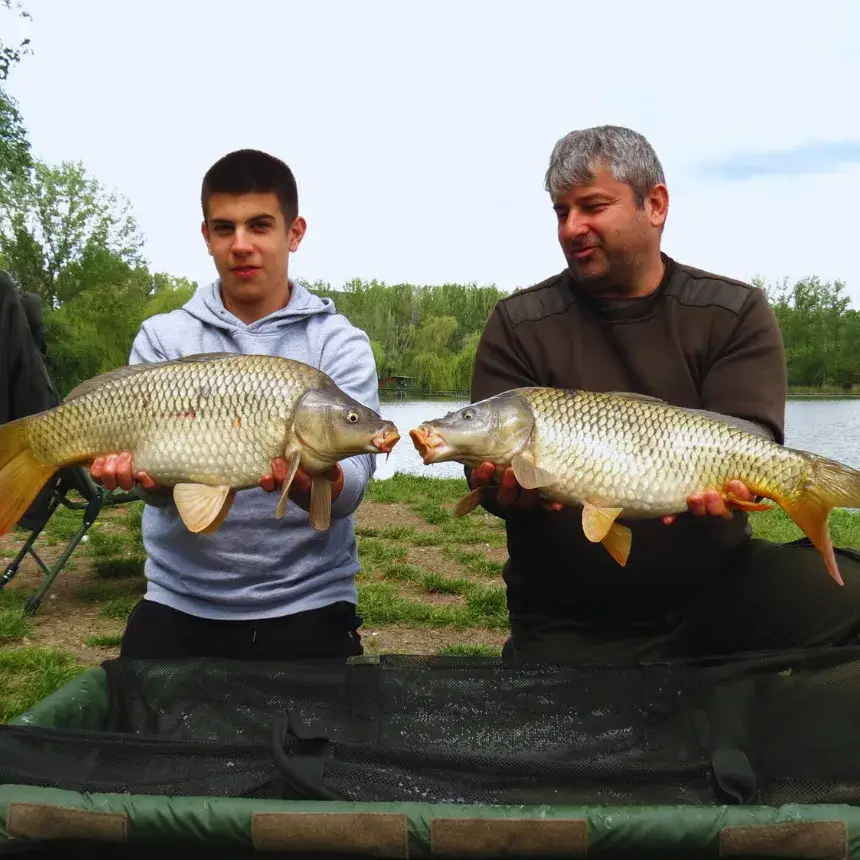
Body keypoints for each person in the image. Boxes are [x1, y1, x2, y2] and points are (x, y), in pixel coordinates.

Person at [468, 125, 860, 664]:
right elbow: (486, 483)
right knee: (573, 736)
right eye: (562, 211)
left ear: (655, 204)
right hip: (571, 610)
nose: (572, 227)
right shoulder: (519, 323)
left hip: (721, 588)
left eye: (593, 206)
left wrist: (741, 489)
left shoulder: (731, 311)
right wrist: (498, 491)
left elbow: (753, 440)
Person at [89, 149, 381, 661]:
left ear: (294, 232)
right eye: (224, 229)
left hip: (308, 600)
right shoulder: (163, 337)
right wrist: (142, 482)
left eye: (260, 225)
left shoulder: (338, 343)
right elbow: (161, 497)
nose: (241, 245)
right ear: (206, 236)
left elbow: (350, 490)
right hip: (181, 600)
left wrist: (320, 478)